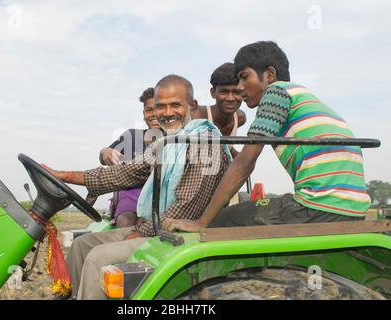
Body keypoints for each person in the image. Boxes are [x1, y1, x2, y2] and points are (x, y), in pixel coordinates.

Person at [43, 75, 231, 299]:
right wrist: (62, 175)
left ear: (192, 106)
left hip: (179, 234)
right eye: (160, 107)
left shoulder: (203, 142)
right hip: (158, 229)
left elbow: (185, 209)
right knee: (81, 245)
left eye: (175, 105)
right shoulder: (169, 143)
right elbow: (123, 172)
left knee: (98, 258)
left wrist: (137, 234)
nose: (167, 112)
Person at [164, 41, 370, 233]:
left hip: (318, 207)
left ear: (269, 75)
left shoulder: (276, 93)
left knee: (221, 221)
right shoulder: (302, 95)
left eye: (245, 77)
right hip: (354, 207)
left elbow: (246, 162)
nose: (240, 87)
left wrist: (201, 222)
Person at [99, 88, 161, 228]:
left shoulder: (175, 139)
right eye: (149, 110)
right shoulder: (131, 136)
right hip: (131, 194)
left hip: (162, 194)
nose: (153, 115)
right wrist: (105, 152)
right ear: (144, 113)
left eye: (158, 109)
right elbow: (104, 156)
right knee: (126, 220)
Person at [193, 62, 246, 158]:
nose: (230, 98)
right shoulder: (198, 116)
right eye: (224, 92)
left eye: (237, 92)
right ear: (213, 93)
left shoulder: (240, 118)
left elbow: (224, 147)